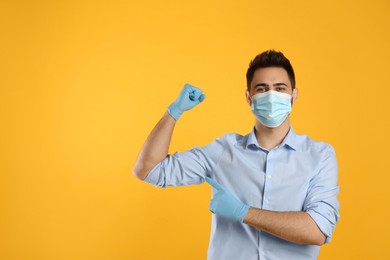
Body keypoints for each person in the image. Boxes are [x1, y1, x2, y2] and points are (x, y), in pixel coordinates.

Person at [132, 50, 340, 260]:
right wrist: (174, 111)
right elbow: (148, 170)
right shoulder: (224, 150)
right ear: (249, 98)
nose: (270, 95)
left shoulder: (319, 155)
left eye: (279, 88)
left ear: (293, 96)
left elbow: (318, 230)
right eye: (262, 89)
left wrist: (243, 212)